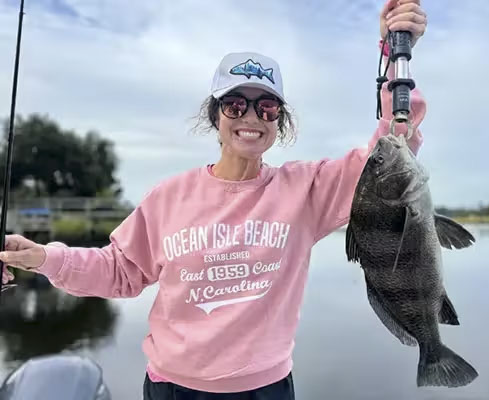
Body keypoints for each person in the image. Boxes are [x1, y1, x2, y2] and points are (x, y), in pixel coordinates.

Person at [0, 0, 427, 398]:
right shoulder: (168, 198)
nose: (251, 117)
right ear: (215, 114)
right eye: (236, 103)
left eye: (267, 108)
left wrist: (394, 54)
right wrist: (44, 258)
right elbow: (118, 271)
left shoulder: (307, 190)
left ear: (280, 120)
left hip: (266, 387)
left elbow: (394, 143)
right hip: (172, 387)